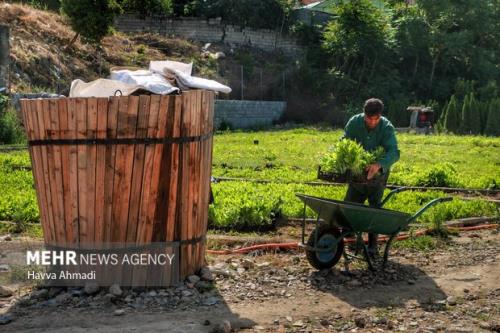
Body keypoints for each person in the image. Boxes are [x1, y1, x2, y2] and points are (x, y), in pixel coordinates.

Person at [343, 98, 400, 256]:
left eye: (376, 119)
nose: (373, 122)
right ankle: (350, 239)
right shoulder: (354, 123)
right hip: (357, 173)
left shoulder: (386, 127)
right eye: (369, 118)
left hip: (378, 175)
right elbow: (344, 142)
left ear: (380, 116)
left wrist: (378, 164)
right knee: (351, 203)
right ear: (364, 113)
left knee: (374, 206)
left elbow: (394, 152)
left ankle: (373, 244)